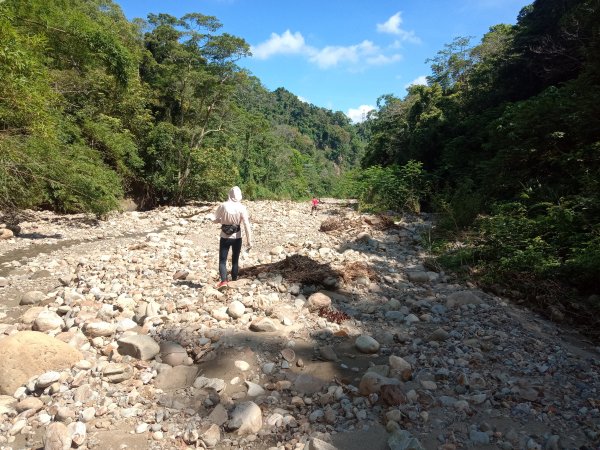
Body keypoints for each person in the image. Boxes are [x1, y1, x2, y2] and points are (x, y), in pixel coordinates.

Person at [213, 186, 252, 289]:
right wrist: (249, 241)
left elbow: (215, 219)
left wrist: (212, 219)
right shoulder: (242, 207)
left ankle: (224, 281)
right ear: (239, 196)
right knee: (235, 260)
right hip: (237, 237)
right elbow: (246, 224)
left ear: (229, 194)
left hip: (225, 236)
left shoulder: (223, 205)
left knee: (222, 260)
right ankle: (234, 280)